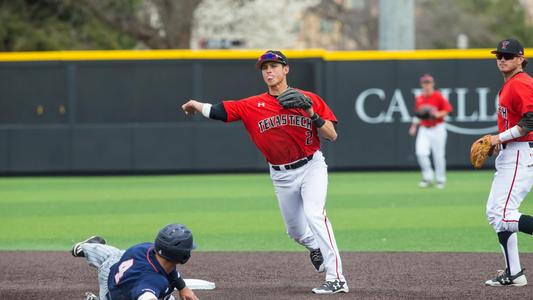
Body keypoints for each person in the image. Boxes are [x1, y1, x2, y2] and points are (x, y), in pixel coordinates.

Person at [181, 50, 348, 294]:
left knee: (315, 214)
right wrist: (196, 104)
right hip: (281, 174)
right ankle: (315, 247)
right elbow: (220, 111)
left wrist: (311, 112)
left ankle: (337, 278)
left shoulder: (309, 99)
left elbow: (332, 135)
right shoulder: (252, 105)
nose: (268, 71)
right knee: (295, 231)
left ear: (286, 69)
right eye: (264, 68)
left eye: (273, 66)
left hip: (311, 166)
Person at [482, 38, 533, 287]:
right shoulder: (511, 84)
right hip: (512, 152)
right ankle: (514, 273)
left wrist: (497, 138)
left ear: (521, 59)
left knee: (502, 215)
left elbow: (531, 120)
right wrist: (498, 143)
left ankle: (514, 273)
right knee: (496, 213)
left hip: (521, 153)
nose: (502, 59)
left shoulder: (521, 83)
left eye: (509, 56)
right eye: (499, 55)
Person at [71, 223, 199, 300]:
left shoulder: (148, 248)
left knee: (113, 254)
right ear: (182, 256)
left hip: (122, 260)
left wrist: (182, 287)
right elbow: (146, 294)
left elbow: (170, 266)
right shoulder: (152, 281)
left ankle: (87, 248)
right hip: (113, 290)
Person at [408, 74, 453, 189]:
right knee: (421, 153)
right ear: (422, 84)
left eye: (428, 82)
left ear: (432, 83)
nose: (427, 85)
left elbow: (448, 109)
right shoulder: (419, 98)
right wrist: (413, 126)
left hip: (438, 127)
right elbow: (418, 115)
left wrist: (438, 114)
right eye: (425, 83)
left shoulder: (438, 96)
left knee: (439, 156)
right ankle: (428, 177)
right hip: (424, 129)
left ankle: (440, 179)